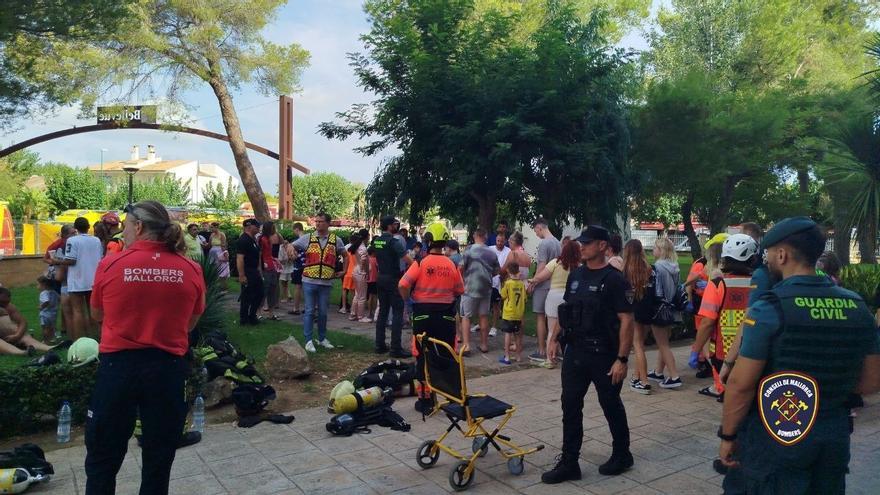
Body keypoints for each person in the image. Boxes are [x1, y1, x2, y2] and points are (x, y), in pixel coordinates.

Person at [718, 217, 880, 494]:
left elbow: (741, 385)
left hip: (777, 435)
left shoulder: (769, 307)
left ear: (781, 255)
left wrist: (728, 435)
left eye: (769, 252)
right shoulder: (856, 305)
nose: (766, 259)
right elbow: (871, 382)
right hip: (833, 433)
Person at [84, 200, 206, 495]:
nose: (122, 233)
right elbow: (190, 323)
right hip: (167, 371)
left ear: (137, 227)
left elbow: (98, 314)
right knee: (158, 459)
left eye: (125, 227)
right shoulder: (190, 269)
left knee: (103, 457)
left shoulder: (111, 264)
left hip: (118, 370)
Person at [541, 226, 635, 483]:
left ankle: (622, 454)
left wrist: (622, 359)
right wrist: (554, 338)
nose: (582, 246)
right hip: (576, 352)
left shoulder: (615, 280)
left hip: (604, 355)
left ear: (603, 246)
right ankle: (570, 462)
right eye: (581, 242)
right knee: (570, 405)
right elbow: (567, 309)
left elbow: (627, 320)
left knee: (610, 405)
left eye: (588, 243)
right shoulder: (576, 275)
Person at [399, 222, 464, 412]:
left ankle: (426, 400)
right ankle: (453, 398)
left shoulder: (420, 263)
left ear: (427, 241)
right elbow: (460, 289)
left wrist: (409, 301)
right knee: (448, 355)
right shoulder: (452, 264)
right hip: (446, 317)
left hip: (422, 315)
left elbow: (403, 285)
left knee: (422, 356)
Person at [690, 234, 758, 400]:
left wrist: (696, 350)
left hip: (722, 351)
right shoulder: (759, 284)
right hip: (752, 349)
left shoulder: (718, 285)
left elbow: (706, 323)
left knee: (729, 396)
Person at [292, 213, 346, 353]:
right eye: (317, 222)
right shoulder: (308, 238)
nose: (318, 224)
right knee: (309, 311)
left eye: (321, 222)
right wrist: (292, 252)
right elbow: (291, 246)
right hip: (309, 280)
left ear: (328, 223)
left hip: (326, 282)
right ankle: (308, 340)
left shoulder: (336, 240)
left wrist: (344, 270)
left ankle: (322, 338)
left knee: (323, 312)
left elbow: (345, 255)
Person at [527, 240, 581, 368]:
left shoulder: (556, 263)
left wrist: (532, 281)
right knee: (568, 329)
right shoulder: (578, 266)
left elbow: (541, 277)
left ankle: (550, 359)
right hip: (569, 298)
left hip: (554, 297)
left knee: (552, 330)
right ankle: (567, 357)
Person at [55, 217, 102, 341]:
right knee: (93, 310)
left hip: (77, 280)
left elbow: (71, 259)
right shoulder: (96, 240)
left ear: (76, 228)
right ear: (88, 227)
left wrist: (57, 260)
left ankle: (79, 340)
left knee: (77, 311)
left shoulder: (72, 240)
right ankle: (96, 339)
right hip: (93, 279)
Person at [372, 216, 413, 357]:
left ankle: (380, 345)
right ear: (390, 226)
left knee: (383, 311)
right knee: (397, 311)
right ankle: (396, 348)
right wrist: (417, 266)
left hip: (381, 277)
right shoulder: (394, 242)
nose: (397, 226)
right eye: (395, 224)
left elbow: (369, 254)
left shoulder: (377, 241)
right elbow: (407, 259)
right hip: (393, 279)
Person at [646, 237, 683, 389]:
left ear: (660, 250)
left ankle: (674, 375)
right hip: (672, 308)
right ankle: (658, 371)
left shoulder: (657, 267)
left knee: (662, 344)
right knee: (664, 342)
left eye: (655, 247)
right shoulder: (674, 266)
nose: (652, 250)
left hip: (660, 309)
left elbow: (656, 291)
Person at [622, 239, 656, 394]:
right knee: (640, 344)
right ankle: (637, 376)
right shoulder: (648, 268)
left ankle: (644, 381)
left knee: (637, 345)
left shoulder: (625, 271)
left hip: (634, 309)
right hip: (648, 309)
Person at [460, 229, 500, 355]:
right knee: (484, 316)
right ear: (486, 236)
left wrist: (462, 280)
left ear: (474, 236)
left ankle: (466, 346)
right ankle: (484, 344)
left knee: (466, 316)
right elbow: (497, 270)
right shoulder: (492, 253)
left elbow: (461, 267)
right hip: (486, 288)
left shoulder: (469, 250)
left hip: (470, 287)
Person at [530, 217, 562, 364]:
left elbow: (542, 265)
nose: (536, 234)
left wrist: (533, 282)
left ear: (540, 227)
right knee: (555, 319)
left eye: (535, 230)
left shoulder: (544, 243)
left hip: (543, 284)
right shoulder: (557, 242)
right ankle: (557, 348)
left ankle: (542, 349)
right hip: (554, 283)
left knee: (540, 316)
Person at [0, 287, 54, 356]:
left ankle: (47, 348)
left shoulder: (8, 306)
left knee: (19, 333)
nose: (5, 305)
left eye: (7, 302)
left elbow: (22, 322)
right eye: (2, 302)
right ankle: (21, 353)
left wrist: (17, 335)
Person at [236, 218, 263, 326]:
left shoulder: (252, 239)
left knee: (259, 294)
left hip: (254, 271)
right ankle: (244, 319)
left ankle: (252, 316)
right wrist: (241, 275)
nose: (258, 228)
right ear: (249, 226)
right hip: (247, 271)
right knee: (247, 296)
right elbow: (240, 258)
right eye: (256, 226)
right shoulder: (243, 240)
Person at [499, 262, 526, 365]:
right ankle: (518, 356)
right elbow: (524, 298)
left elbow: (503, 295)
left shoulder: (508, 283)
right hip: (518, 314)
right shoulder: (521, 284)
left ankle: (507, 357)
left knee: (508, 335)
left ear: (508, 271)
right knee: (517, 336)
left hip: (509, 313)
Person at [489, 232, 511, 337]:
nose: (499, 243)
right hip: (488, 281)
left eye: (502, 241)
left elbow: (509, 266)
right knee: (483, 305)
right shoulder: (490, 249)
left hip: (500, 281)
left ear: (505, 241)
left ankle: (494, 326)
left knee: (496, 305)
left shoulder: (508, 251)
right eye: (498, 241)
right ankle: (481, 324)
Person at [259, 221, 282, 320]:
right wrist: (260, 268)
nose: (274, 229)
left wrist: (275, 260)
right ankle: (258, 312)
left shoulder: (269, 238)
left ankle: (271, 313)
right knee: (264, 289)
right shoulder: (262, 239)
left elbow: (268, 253)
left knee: (273, 289)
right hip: (265, 267)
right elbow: (259, 254)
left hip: (272, 266)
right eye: (273, 227)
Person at [350, 231, 371, 323]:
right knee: (362, 295)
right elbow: (364, 261)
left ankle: (353, 314)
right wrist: (366, 271)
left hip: (356, 270)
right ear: (366, 237)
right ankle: (361, 316)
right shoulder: (363, 248)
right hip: (361, 272)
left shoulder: (357, 246)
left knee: (357, 294)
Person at [287, 222, 306, 315]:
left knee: (298, 287)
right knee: (307, 287)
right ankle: (309, 307)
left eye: (294, 230)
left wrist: (290, 255)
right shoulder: (308, 239)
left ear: (297, 229)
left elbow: (294, 256)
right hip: (308, 266)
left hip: (299, 266)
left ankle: (296, 308)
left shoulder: (297, 242)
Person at [207, 222, 229, 292]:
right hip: (212, 253)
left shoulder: (221, 234)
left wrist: (225, 253)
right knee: (214, 268)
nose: (211, 229)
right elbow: (209, 245)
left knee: (222, 269)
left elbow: (224, 244)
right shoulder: (212, 235)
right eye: (211, 227)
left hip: (219, 252)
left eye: (212, 227)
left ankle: (223, 286)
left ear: (216, 227)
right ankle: (215, 286)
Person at [37, 275, 59, 344]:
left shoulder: (43, 293)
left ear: (43, 285)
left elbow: (46, 301)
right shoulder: (54, 292)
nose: (37, 286)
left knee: (45, 328)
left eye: (38, 284)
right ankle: (53, 338)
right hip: (53, 314)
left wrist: (41, 307)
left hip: (45, 314)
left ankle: (46, 341)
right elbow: (59, 298)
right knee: (52, 327)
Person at [279, 236, 295, 303]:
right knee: (283, 283)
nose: (285, 244)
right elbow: (280, 260)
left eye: (287, 243)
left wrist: (291, 258)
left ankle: (288, 296)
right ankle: (287, 296)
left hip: (290, 267)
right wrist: (287, 259)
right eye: (284, 243)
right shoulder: (280, 248)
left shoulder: (291, 248)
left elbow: (294, 258)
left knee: (287, 282)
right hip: (283, 268)